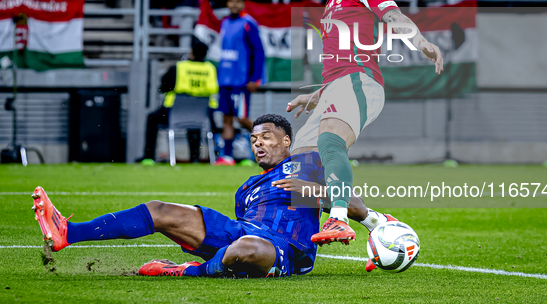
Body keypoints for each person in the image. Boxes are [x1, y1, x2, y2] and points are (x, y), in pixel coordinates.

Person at [32, 114, 397, 277]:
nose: (258, 144)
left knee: (248, 249)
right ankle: (69, 232)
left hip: (287, 248)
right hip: (241, 230)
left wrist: (315, 193)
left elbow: (353, 203)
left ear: (287, 140)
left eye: (266, 137)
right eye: (253, 140)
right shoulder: (246, 189)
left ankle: (189, 272)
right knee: (160, 209)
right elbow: (239, 224)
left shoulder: (309, 161)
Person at [287, 0, 443, 245]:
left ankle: (338, 220)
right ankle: (374, 221)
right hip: (337, 87)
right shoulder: (332, 0)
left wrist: (420, 41)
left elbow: (391, 13)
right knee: (301, 168)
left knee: (331, 142)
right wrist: (319, 94)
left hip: (359, 82)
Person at [140, 39, 218, 164]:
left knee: (152, 118)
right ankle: (195, 158)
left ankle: (148, 157)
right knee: (195, 123)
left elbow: (164, 86)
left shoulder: (179, 67)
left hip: (174, 113)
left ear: (191, 52)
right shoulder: (211, 69)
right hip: (203, 115)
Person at [215, 0, 265, 166]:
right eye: (231, 1)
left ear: (243, 4)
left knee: (242, 118)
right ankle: (227, 156)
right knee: (226, 118)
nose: (234, 4)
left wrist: (255, 78)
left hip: (241, 81)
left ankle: (269, 143)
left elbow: (258, 52)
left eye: (238, 1)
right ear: (227, 3)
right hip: (225, 81)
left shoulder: (248, 24)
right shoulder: (225, 23)